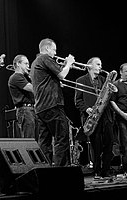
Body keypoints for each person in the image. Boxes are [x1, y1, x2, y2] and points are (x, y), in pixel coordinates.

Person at [29, 38, 75, 166]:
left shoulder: (35, 63)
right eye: (54, 50)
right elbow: (62, 75)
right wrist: (69, 63)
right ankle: (61, 172)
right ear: (47, 48)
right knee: (62, 138)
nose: (55, 53)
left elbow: (48, 79)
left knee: (45, 142)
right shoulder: (45, 58)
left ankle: (46, 171)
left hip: (41, 108)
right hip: (52, 105)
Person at [74, 57, 115, 178]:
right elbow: (78, 101)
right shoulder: (81, 80)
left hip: (106, 116)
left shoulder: (104, 80)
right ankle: (97, 170)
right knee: (95, 144)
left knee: (109, 142)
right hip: (92, 117)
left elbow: (110, 98)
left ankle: (106, 170)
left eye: (101, 64)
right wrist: (87, 109)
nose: (100, 66)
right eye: (98, 64)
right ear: (89, 66)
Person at [8, 54, 38, 141]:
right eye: (26, 64)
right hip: (25, 110)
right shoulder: (16, 77)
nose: (28, 66)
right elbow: (32, 88)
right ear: (18, 64)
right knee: (29, 140)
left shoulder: (24, 77)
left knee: (35, 139)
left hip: (31, 110)